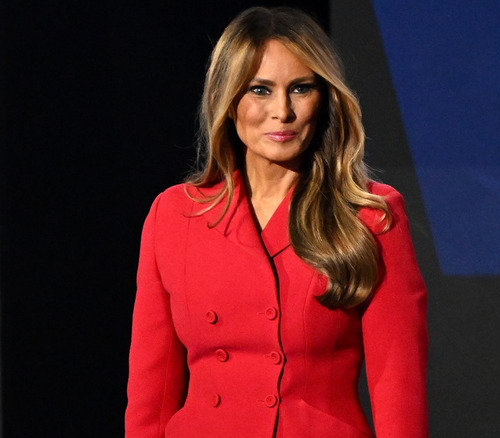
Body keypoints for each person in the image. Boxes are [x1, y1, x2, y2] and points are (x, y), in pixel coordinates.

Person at [126, 6, 427, 438]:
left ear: (324, 98)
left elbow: (397, 387)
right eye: (260, 90)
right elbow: (149, 396)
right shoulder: (175, 214)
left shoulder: (371, 214)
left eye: (300, 88)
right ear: (228, 101)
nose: (282, 112)